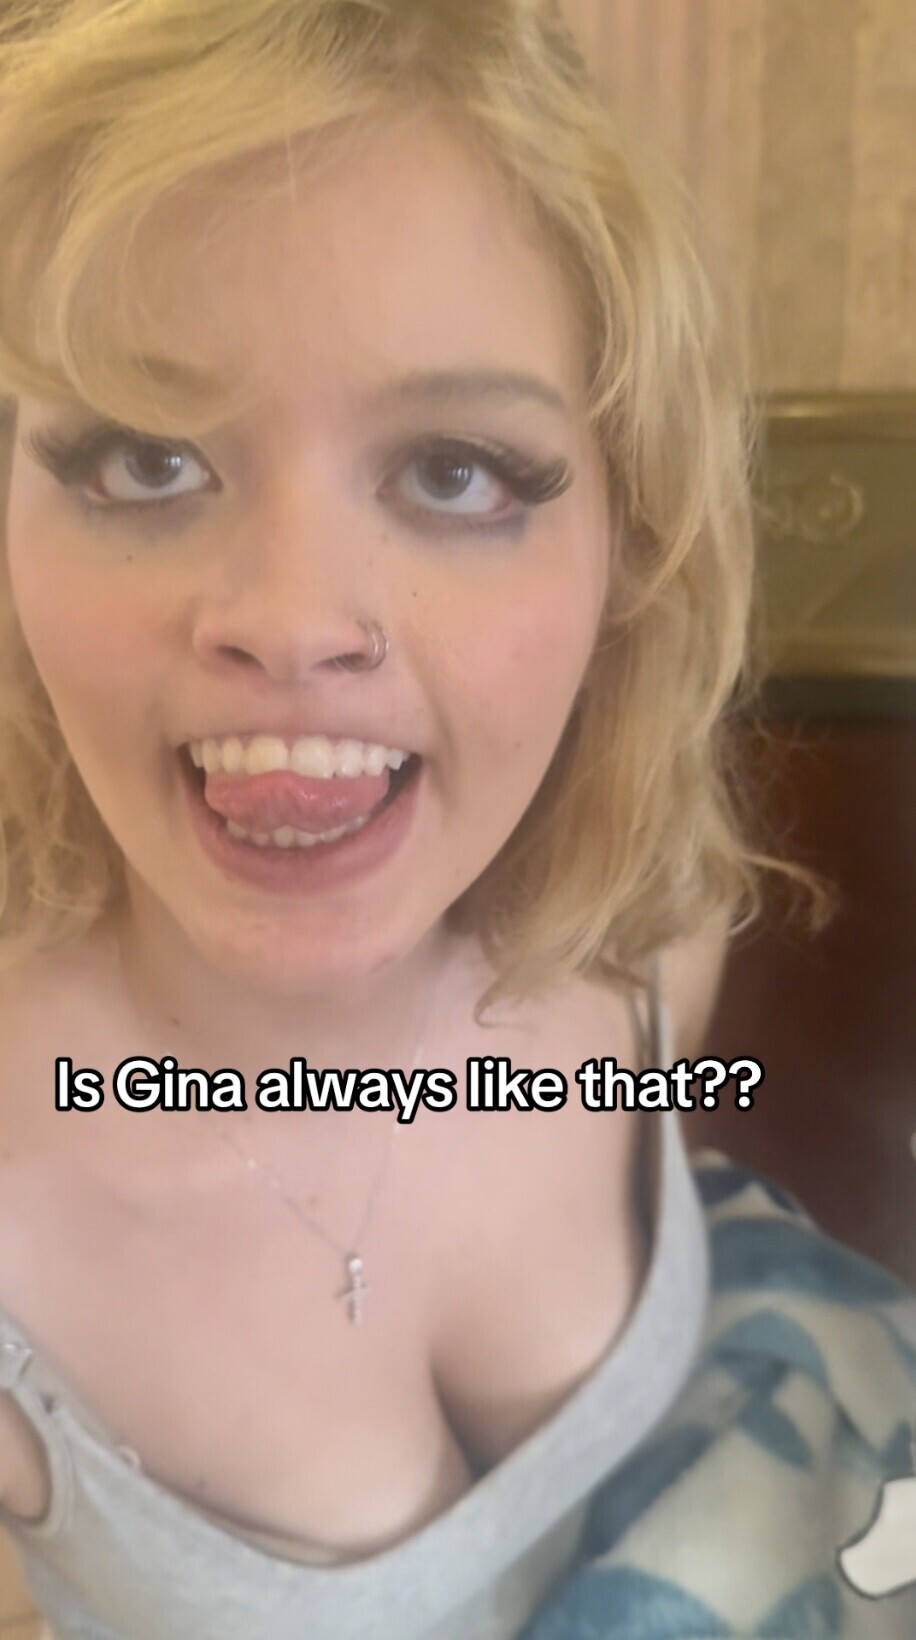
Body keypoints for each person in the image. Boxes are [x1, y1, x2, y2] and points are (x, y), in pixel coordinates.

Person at [0, 2, 912, 1636]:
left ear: (630, 543)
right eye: (144, 459)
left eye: (452, 471)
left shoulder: (650, 944)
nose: (293, 620)